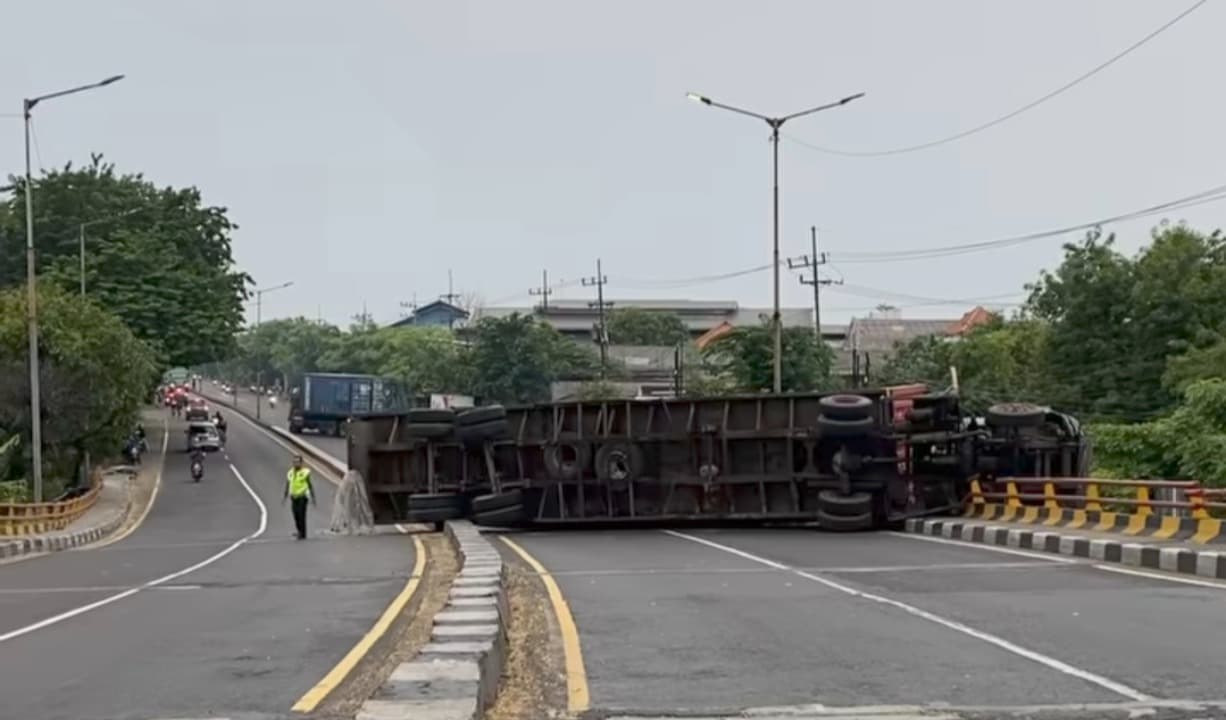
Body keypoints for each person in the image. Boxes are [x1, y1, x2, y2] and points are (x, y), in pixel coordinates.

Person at [283, 454, 316, 540]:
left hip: (303, 496)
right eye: (294, 462)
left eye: (298, 462)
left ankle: (302, 533)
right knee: (295, 515)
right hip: (294, 496)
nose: (296, 464)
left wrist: (313, 497)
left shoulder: (305, 472)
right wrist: (285, 496)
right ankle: (299, 530)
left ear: (301, 463)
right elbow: (288, 484)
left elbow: (310, 484)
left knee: (301, 515)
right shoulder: (290, 473)